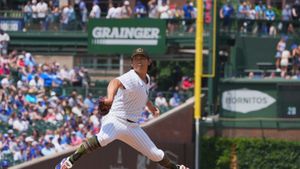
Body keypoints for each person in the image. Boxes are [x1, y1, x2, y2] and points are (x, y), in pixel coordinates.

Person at [55, 48, 189, 169]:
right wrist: (109, 98)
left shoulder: (146, 79)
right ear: (131, 64)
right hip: (116, 120)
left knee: (156, 154)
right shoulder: (131, 77)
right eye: (136, 59)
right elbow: (115, 82)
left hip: (133, 127)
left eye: (142, 58)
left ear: (149, 61)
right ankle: (68, 161)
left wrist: (152, 108)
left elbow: (142, 96)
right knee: (103, 139)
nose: (139, 61)